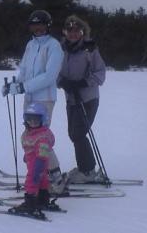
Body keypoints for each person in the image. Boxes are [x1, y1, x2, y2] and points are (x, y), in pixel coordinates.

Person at [2, 9, 67, 194]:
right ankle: (38, 172)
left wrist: (24, 87)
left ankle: (56, 178)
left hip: (44, 98)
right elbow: (23, 69)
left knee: (41, 139)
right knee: (30, 138)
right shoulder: (30, 45)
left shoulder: (54, 47)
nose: (37, 28)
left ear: (48, 25)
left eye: (41, 24)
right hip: (30, 98)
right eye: (34, 25)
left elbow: (49, 76)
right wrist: (14, 84)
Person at [57, 15, 106, 183]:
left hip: (88, 99)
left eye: (77, 30)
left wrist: (84, 82)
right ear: (65, 32)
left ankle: (87, 171)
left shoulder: (89, 49)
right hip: (71, 98)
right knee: (73, 133)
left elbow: (100, 74)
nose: (73, 34)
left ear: (82, 32)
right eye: (69, 30)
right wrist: (61, 81)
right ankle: (85, 167)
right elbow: (54, 71)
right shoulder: (61, 49)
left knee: (78, 133)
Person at [9, 102, 55, 215]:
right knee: (43, 180)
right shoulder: (32, 132)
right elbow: (31, 147)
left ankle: (30, 204)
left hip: (37, 164)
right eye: (30, 119)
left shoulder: (42, 136)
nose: (32, 122)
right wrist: (27, 155)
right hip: (36, 163)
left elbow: (43, 152)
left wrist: (38, 166)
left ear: (42, 119)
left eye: (36, 119)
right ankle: (42, 200)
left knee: (31, 182)